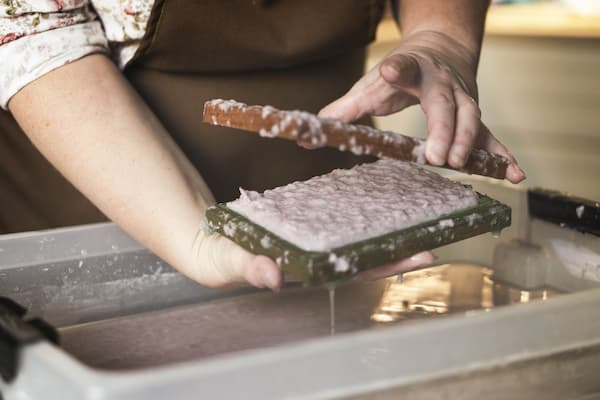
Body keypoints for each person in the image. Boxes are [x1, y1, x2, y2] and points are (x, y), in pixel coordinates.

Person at [0, 0, 525, 291]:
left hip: (332, 232)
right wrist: (197, 241)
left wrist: (442, 39)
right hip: (91, 223)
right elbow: (28, 25)